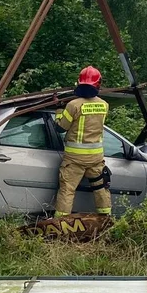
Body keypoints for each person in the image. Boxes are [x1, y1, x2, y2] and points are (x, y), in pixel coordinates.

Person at [54, 66, 112, 218]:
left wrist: (59, 109)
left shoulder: (73, 105)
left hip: (74, 159)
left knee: (67, 190)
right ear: (98, 85)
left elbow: (60, 128)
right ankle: (105, 220)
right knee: (101, 188)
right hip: (96, 158)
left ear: (79, 83)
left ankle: (61, 224)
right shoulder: (104, 105)